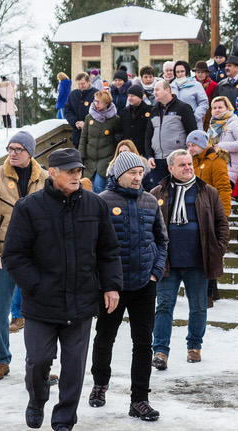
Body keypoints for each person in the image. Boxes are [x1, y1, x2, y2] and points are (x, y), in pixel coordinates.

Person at [2, 148, 122, 431]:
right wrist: (37, 286)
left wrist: (111, 286)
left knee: (73, 367)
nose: (76, 176)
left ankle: (64, 421)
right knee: (38, 360)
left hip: (81, 301)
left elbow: (108, 250)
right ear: (52, 172)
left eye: (79, 170)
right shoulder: (29, 207)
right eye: (70, 171)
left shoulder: (95, 205)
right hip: (42, 303)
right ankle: (37, 398)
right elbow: (14, 256)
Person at [90, 152, 167, 422]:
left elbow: (161, 240)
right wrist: (103, 281)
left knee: (143, 343)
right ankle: (100, 384)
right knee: (104, 337)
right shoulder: (102, 202)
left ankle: (140, 399)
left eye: (140, 172)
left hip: (145, 285)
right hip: (112, 286)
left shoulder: (149, 202)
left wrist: (156, 272)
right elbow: (94, 246)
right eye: (132, 172)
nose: (138, 177)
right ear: (119, 174)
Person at [0, 131, 48, 382]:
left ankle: (40, 362)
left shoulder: (45, 178)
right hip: (3, 253)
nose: (13, 153)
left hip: (35, 256)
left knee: (40, 312)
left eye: (19, 149)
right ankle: (0, 359)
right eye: (10, 148)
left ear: (30, 152)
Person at [150, 150, 228, 370]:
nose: (187, 168)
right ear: (171, 168)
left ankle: (194, 347)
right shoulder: (157, 192)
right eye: (182, 165)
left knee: (198, 308)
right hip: (168, 263)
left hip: (198, 262)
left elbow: (222, 225)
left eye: (189, 164)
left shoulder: (208, 192)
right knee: (164, 307)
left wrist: (217, 250)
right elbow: (147, 226)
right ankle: (160, 352)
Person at [145, 80, 198, 189]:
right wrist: (149, 156)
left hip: (177, 159)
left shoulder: (183, 107)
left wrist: (188, 154)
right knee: (159, 193)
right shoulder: (154, 110)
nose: (154, 93)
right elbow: (148, 136)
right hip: (158, 160)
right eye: (154, 90)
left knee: (178, 190)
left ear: (167, 90)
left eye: (157, 90)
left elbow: (193, 133)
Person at [79, 90, 122, 194]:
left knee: (99, 186)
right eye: (95, 101)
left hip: (105, 159)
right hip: (90, 159)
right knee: (87, 186)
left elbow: (118, 140)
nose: (96, 104)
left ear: (106, 103)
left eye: (99, 102)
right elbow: (84, 137)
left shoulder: (115, 119)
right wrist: (80, 156)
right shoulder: (89, 117)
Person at [187, 129, 232, 218]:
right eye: (188, 145)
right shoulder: (190, 161)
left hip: (209, 211)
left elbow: (224, 189)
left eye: (193, 145)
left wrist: (223, 215)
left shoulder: (216, 161)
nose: (190, 149)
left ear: (202, 145)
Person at [208, 95, 238, 185]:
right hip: (212, 169)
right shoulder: (212, 125)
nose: (217, 110)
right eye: (214, 108)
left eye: (220, 107)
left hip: (229, 171)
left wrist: (221, 146)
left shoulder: (235, 123)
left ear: (228, 108)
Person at [64, 72, 98, 148]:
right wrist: (75, 122)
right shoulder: (73, 94)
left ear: (89, 81)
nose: (80, 86)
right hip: (77, 135)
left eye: (82, 84)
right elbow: (67, 110)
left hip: (92, 136)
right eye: (78, 84)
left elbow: (99, 113)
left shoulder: (97, 94)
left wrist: (85, 123)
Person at [171, 60, 209, 126]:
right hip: (176, 124)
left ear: (187, 71)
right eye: (177, 72)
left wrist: (194, 117)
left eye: (182, 71)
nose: (180, 74)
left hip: (193, 123)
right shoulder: (171, 86)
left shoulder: (196, 85)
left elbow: (204, 103)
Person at [120, 83, 152, 153]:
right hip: (128, 150)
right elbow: (120, 130)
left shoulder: (149, 111)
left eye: (133, 96)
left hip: (143, 150)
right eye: (128, 96)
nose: (130, 98)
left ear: (140, 97)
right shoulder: (125, 112)